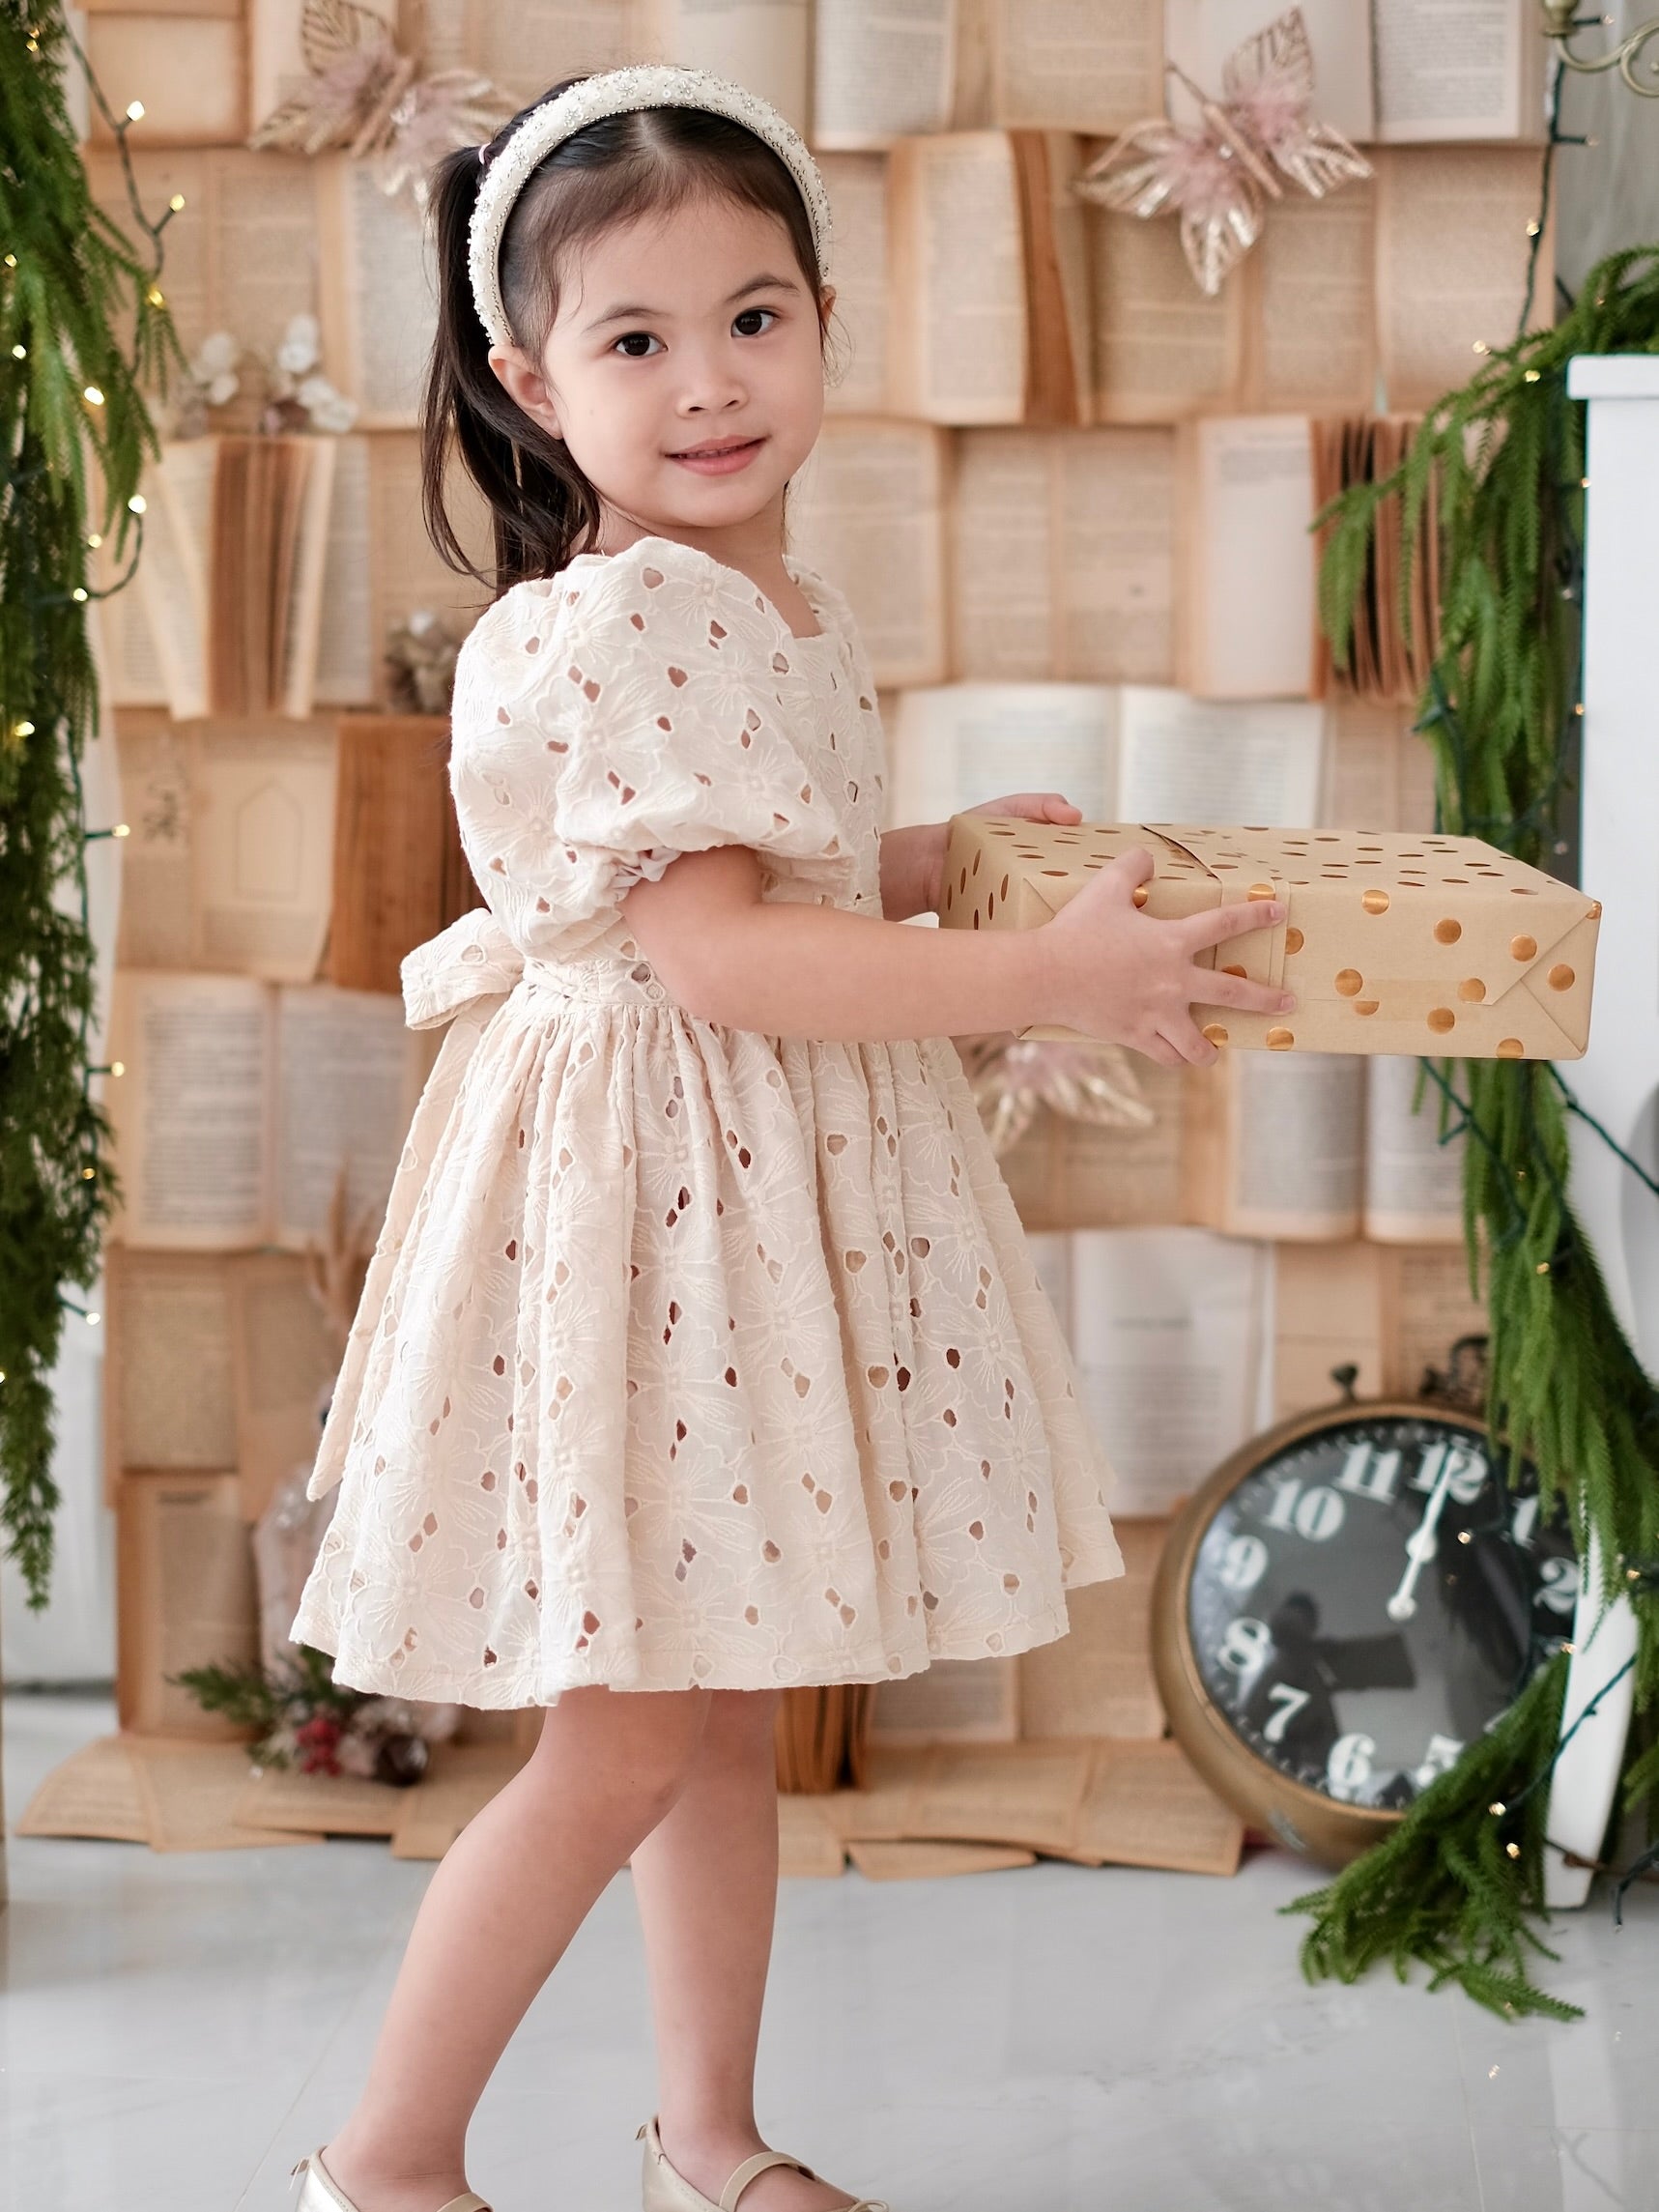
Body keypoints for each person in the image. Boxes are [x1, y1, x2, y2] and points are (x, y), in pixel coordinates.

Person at [286, 64, 1297, 2212]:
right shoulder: (636, 609)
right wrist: (1036, 975)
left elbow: (758, 870)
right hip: (649, 1196)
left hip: (707, 1184)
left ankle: (711, 2139)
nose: (709, 382)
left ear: (825, 317)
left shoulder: (760, 597)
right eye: (636, 339)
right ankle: (383, 2163)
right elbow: (723, 954)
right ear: (532, 381)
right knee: (624, 1734)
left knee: (719, 1699)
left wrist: (929, 860)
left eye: (753, 317)